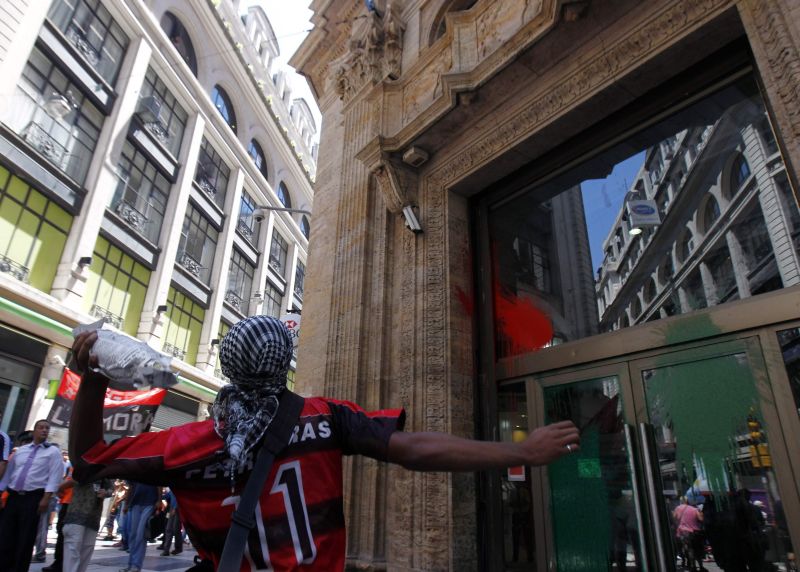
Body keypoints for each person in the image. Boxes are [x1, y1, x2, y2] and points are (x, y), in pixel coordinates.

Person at [69, 316, 580, 571]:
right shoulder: (325, 418)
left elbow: (89, 459)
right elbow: (417, 449)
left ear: (229, 367)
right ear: (284, 360)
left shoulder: (188, 443)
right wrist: (521, 451)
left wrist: (93, 374)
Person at [0, 419, 66, 571]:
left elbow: (54, 477)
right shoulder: (21, 451)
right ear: (34, 430)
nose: (44, 430)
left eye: (47, 428)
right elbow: (9, 473)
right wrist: (2, 492)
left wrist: (46, 498)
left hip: (34, 497)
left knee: (26, 536)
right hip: (14, 496)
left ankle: (19, 568)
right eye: (41, 427)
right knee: (7, 533)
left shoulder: (53, 452)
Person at [61, 478, 111, 572]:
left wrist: (106, 492)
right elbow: (71, 481)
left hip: (93, 517)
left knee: (86, 550)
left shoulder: (107, 470)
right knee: (73, 548)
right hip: (76, 515)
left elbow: (111, 489)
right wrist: (59, 488)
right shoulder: (82, 467)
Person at [123, 481, 161, 572]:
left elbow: (159, 483)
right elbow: (131, 486)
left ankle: (136, 565)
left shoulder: (154, 469)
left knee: (140, 535)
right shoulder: (135, 469)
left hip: (150, 502)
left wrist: (159, 500)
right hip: (135, 503)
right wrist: (127, 503)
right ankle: (131, 564)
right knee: (133, 535)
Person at [673, 496, 705, 571]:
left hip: (684, 532)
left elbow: (674, 518)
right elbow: (701, 519)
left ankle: (692, 566)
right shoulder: (695, 509)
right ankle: (701, 566)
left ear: (681, 501)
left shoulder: (678, 508)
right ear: (688, 501)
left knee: (689, 549)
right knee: (698, 549)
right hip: (696, 532)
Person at [160, 487, 183, 556]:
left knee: (176, 529)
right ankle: (166, 550)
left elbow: (179, 497)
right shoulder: (171, 488)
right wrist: (159, 496)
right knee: (169, 529)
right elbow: (168, 495)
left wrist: (176, 507)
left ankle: (178, 548)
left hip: (178, 509)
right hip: (172, 508)